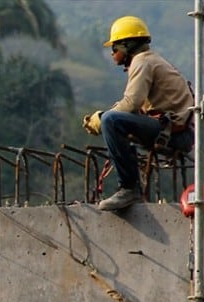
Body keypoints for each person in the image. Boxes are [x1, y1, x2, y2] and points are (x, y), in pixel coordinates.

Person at [83, 15, 195, 211]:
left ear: (128, 45)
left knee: (111, 120)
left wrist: (100, 118)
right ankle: (130, 182)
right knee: (114, 120)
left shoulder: (142, 62)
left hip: (173, 134)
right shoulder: (150, 60)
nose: (112, 53)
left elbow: (131, 104)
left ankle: (129, 189)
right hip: (175, 131)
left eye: (115, 47)